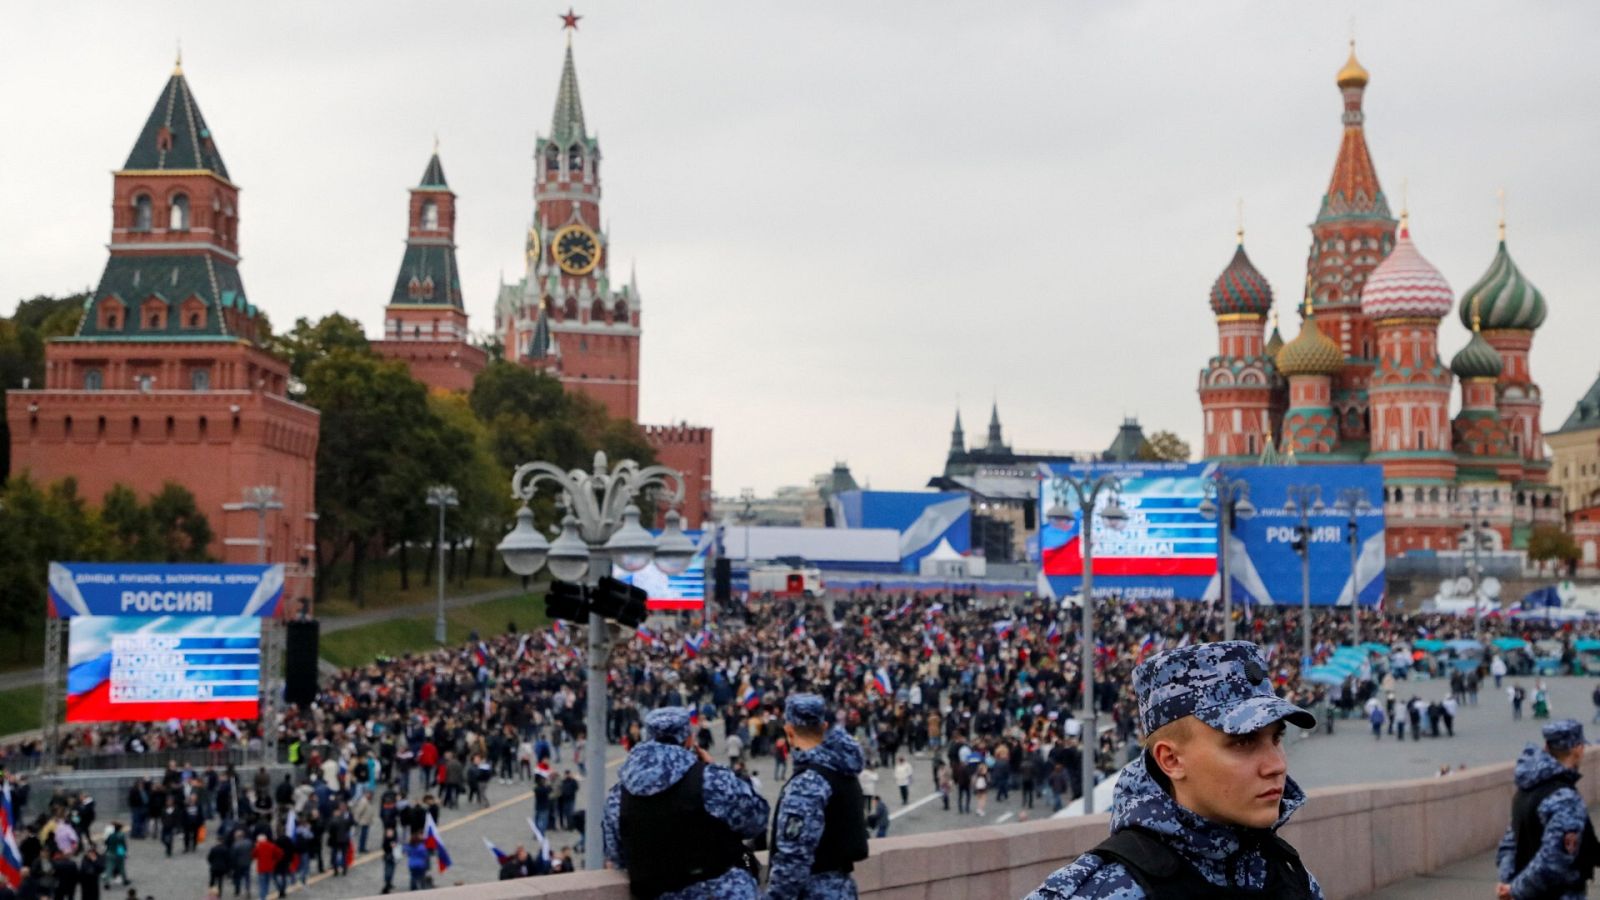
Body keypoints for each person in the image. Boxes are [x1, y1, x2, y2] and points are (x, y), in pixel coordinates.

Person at [1025, 640, 1325, 899]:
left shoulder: (1287, 875)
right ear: (1171, 760)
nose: (1277, 765)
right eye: (1244, 742)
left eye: (1277, 738)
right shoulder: (1097, 892)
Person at [603, 706, 770, 899]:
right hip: (721, 891)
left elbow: (616, 856)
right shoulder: (710, 780)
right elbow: (756, 821)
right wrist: (717, 770)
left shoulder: (618, 795)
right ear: (689, 739)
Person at [766, 693, 870, 900]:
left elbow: (793, 858)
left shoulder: (808, 782)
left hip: (813, 891)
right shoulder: (842, 770)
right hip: (842, 888)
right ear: (824, 727)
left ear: (788, 730)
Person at [1495, 719, 1600, 900]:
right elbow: (1555, 859)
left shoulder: (1526, 789)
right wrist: (1515, 890)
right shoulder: (1565, 797)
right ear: (1577, 749)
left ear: (1546, 746)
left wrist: (1509, 883)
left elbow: (1509, 843)